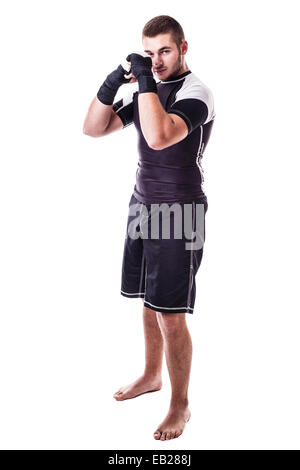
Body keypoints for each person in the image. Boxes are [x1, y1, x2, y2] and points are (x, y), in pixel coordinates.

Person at [83, 15, 215, 441]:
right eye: (150, 52)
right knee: (146, 300)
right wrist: (109, 85)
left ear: (183, 48)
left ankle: (180, 405)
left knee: (171, 316)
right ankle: (151, 375)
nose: (156, 61)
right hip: (142, 204)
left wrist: (143, 83)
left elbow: (159, 137)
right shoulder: (147, 89)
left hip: (181, 211)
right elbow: (94, 128)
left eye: (165, 51)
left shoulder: (197, 93)